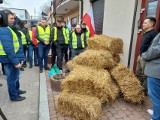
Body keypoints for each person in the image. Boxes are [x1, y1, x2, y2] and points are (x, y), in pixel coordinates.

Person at [0, 10, 26, 101]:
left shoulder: (8, 28)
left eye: (13, 18)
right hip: (9, 59)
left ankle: (17, 90)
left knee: (16, 77)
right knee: (12, 78)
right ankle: (14, 96)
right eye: (11, 18)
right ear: (3, 19)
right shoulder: (4, 30)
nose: (13, 20)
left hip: (11, 58)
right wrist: (16, 62)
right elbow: (9, 49)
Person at [136, 17, 158, 95]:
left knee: (144, 75)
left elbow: (154, 49)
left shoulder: (154, 35)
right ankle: (138, 88)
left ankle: (144, 91)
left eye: (145, 23)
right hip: (140, 56)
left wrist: (146, 56)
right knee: (138, 72)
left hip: (146, 58)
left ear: (151, 24)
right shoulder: (145, 33)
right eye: (143, 23)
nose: (143, 24)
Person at [141, 32, 160, 120]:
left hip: (156, 71)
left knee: (155, 96)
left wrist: (145, 55)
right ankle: (157, 112)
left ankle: (156, 117)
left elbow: (157, 49)